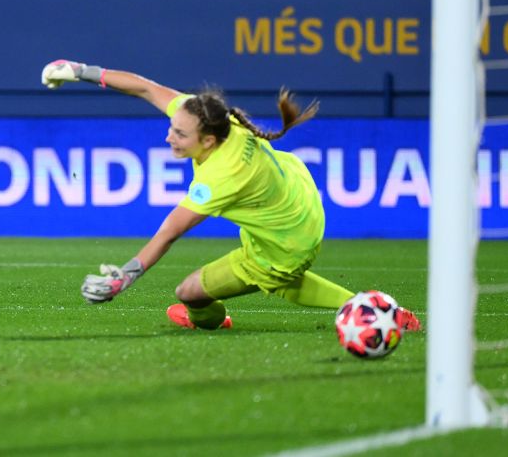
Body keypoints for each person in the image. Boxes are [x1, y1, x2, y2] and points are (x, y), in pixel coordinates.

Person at [39, 61, 422, 333]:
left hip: (286, 241)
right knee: (274, 268)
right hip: (298, 201)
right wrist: (79, 70)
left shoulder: (220, 177)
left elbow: (168, 233)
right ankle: (374, 307)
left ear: (207, 141)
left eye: (180, 135)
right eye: (173, 128)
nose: (169, 137)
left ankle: (371, 311)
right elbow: (145, 87)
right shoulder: (215, 117)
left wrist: (123, 278)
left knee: (190, 293)